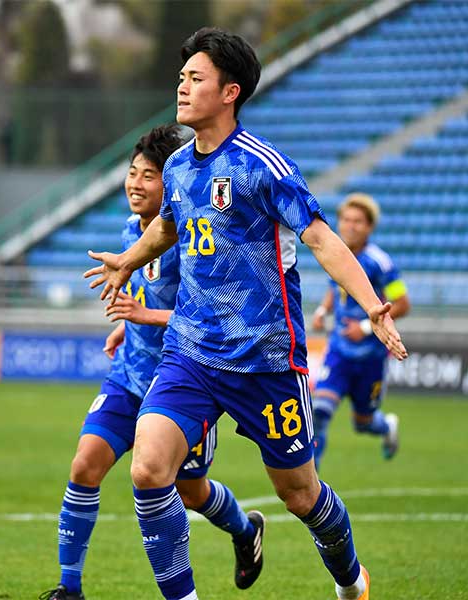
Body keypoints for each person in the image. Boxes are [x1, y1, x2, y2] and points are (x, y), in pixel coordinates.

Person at [85, 27, 406, 600]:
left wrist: (371, 306)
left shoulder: (264, 166)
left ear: (230, 91)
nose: (182, 86)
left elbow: (322, 238)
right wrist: (127, 262)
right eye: (181, 77)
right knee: (148, 470)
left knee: (299, 494)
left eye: (195, 78)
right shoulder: (180, 167)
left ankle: (351, 579)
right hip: (191, 352)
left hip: (266, 361)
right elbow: (167, 228)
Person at [40, 125, 264, 600]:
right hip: (129, 375)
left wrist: (146, 315)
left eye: (148, 176)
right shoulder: (130, 232)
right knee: (85, 465)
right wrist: (129, 324)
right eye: (132, 173)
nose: (135, 184)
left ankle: (246, 531)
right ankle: (69, 588)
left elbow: (207, 309)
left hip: (186, 379)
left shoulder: (191, 239)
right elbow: (150, 294)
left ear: (173, 185)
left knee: (189, 492)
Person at [310, 193, 410, 471]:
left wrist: (365, 327)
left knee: (363, 423)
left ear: (369, 227)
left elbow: (402, 303)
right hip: (339, 351)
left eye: (358, 221)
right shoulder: (337, 253)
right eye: (345, 219)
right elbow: (336, 289)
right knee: (320, 411)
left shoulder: (381, 263)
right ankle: (312, 486)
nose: (350, 226)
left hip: (370, 357)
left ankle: (386, 425)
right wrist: (321, 311)